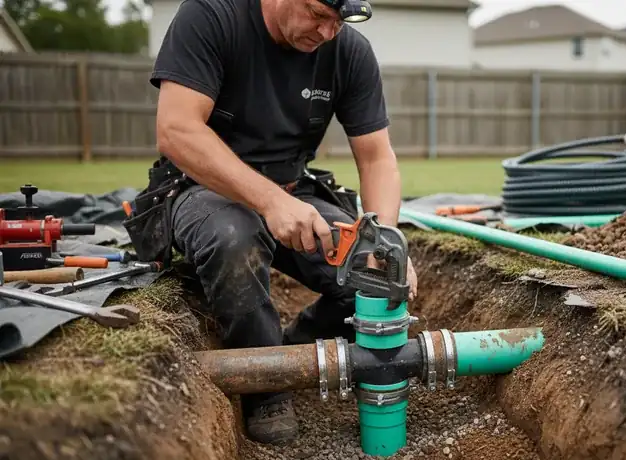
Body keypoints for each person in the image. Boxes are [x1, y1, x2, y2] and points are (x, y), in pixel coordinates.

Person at [138, 0, 419, 446]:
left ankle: (291, 347)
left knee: (372, 271)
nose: (328, 32)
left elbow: (377, 156)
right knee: (237, 238)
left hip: (293, 190)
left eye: (338, 22)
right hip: (200, 190)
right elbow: (176, 129)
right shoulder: (212, 17)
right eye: (317, 15)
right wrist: (267, 202)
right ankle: (265, 388)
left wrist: (386, 239)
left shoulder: (349, 52)